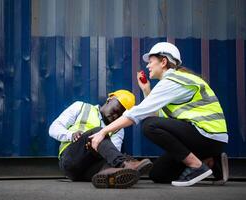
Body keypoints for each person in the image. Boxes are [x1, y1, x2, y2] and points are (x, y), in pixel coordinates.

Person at [89, 42, 229, 187]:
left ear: (163, 62)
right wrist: (146, 90)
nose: (148, 66)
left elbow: (138, 114)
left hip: (207, 135)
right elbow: (159, 115)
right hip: (205, 139)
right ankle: (211, 161)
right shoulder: (175, 80)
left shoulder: (173, 81)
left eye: (150, 62)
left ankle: (196, 165)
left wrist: (103, 131)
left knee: (149, 125)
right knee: (158, 174)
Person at [49, 90, 153, 188]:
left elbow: (113, 154)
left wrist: (103, 154)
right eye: (115, 110)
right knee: (99, 133)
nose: (115, 116)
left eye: (120, 116)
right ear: (109, 100)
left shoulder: (118, 129)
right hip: (71, 160)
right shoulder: (81, 107)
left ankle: (109, 177)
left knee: (117, 156)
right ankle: (124, 164)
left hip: (89, 170)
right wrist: (71, 135)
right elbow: (53, 128)